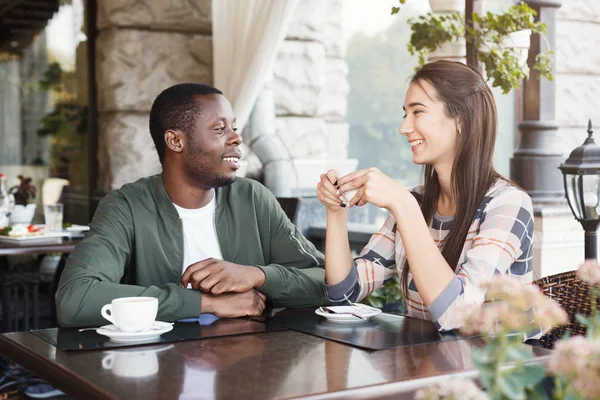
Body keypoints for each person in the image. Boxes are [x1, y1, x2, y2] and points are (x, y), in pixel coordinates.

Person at [56, 83, 328, 328]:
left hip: (247, 369)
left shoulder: (252, 198)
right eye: (220, 129)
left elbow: (327, 283)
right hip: (156, 371)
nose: (236, 138)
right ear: (176, 141)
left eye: (234, 127)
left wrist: (258, 276)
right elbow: (75, 299)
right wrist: (205, 303)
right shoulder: (126, 206)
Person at [317, 60, 534, 332]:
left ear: (461, 120)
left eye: (417, 112)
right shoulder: (416, 202)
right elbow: (343, 295)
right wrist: (336, 212)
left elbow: (458, 313)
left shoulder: (507, 205)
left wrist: (403, 205)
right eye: (404, 114)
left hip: (498, 370)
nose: (404, 127)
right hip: (431, 365)